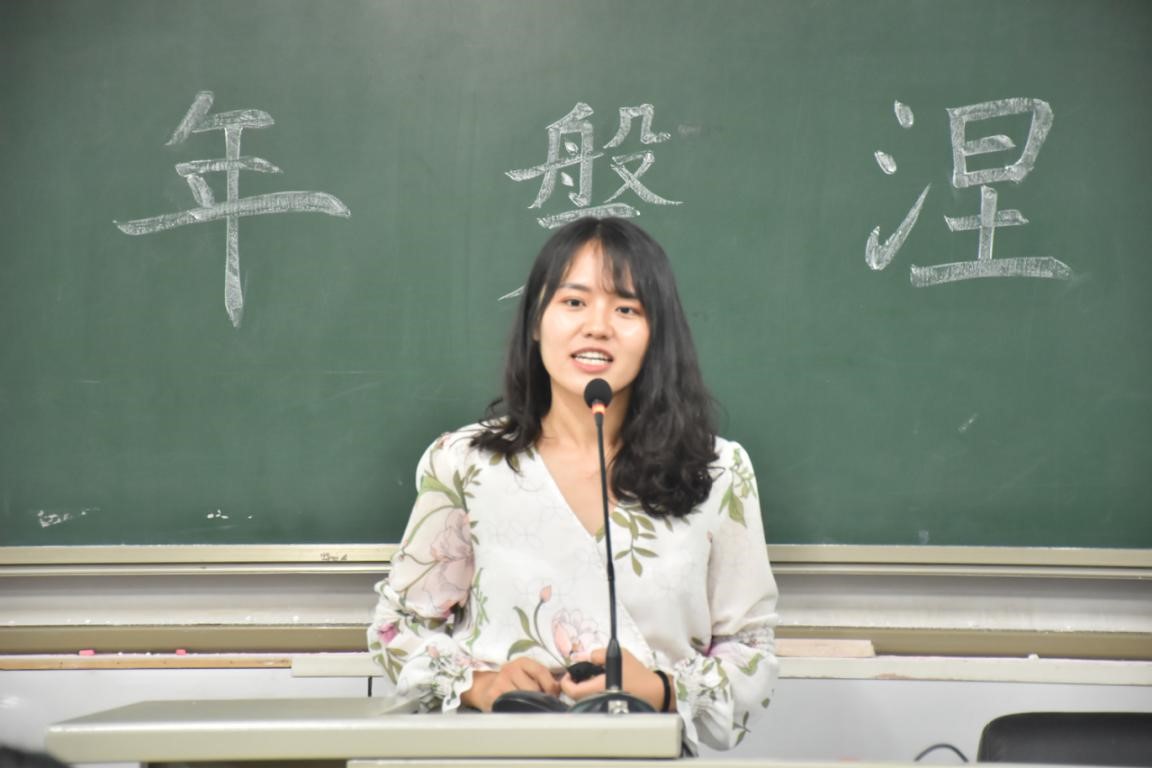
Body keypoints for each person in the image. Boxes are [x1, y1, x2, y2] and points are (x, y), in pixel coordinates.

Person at [368, 217, 778, 752]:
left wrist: (661, 690)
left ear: (657, 334)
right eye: (574, 301)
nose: (597, 326)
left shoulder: (718, 471)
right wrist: (480, 684)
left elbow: (750, 648)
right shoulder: (466, 463)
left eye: (627, 309)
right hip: (492, 756)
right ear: (536, 322)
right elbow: (398, 627)